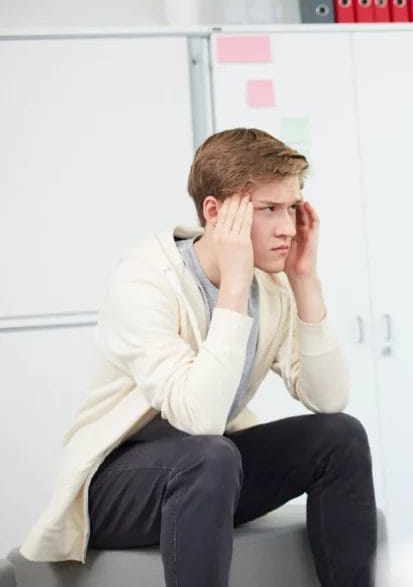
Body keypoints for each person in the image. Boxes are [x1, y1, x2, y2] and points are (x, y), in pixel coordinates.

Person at [18, 128, 377, 586]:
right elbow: (201, 418)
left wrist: (304, 279)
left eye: (291, 207)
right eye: (268, 209)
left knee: (340, 436)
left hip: (210, 475)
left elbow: (329, 398)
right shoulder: (145, 280)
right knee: (210, 455)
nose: (286, 227)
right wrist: (232, 285)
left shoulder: (272, 286)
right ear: (215, 211)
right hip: (116, 486)